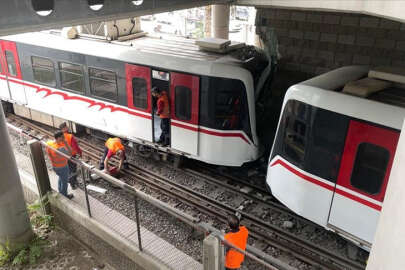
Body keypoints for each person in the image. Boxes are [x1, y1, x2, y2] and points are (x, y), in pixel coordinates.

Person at [46, 131, 73, 199]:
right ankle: (64, 195)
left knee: (61, 177)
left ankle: (60, 191)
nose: (64, 138)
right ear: (58, 138)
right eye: (62, 137)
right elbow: (70, 153)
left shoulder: (50, 143)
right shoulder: (59, 149)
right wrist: (66, 143)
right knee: (65, 181)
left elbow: (48, 141)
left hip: (55, 166)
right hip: (62, 167)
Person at [59, 122, 82, 190]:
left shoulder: (59, 136)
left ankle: (72, 181)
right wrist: (80, 153)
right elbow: (76, 147)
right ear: (64, 129)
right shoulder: (70, 136)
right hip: (71, 156)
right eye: (66, 127)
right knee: (73, 170)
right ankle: (73, 183)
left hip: (63, 156)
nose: (68, 127)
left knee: (68, 170)